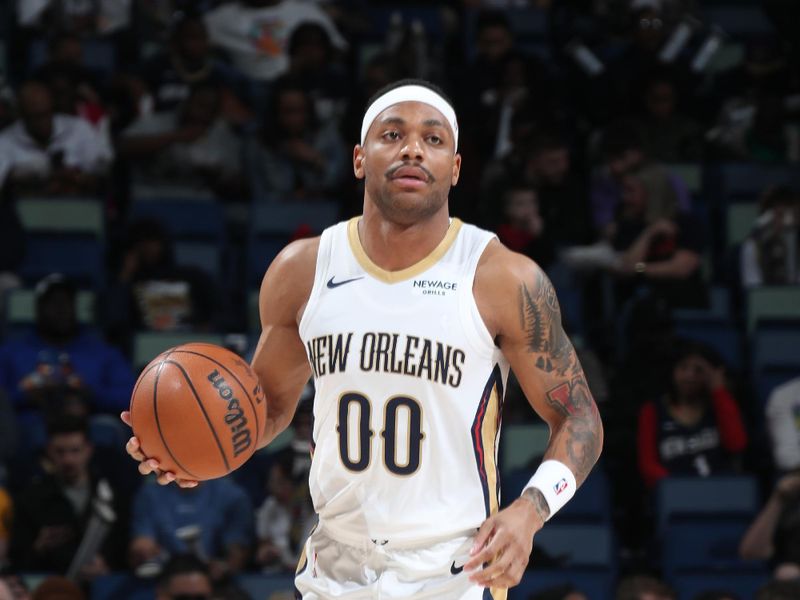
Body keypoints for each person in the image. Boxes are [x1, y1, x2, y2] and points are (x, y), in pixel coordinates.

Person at [123, 78, 604, 597]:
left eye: (434, 139)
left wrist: (529, 513)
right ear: (359, 158)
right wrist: (199, 446)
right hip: (336, 570)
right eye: (392, 134)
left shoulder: (502, 277)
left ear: (456, 169)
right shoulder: (302, 270)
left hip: (456, 574)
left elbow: (579, 417)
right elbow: (269, 409)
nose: (413, 149)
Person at [0, 274, 135, 416]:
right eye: (53, 303)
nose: (61, 310)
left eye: (66, 302)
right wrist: (25, 395)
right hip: (29, 426)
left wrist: (89, 394)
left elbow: (130, 397)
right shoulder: (11, 352)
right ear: (39, 308)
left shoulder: (102, 352)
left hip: (88, 424)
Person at [9, 415, 125, 578]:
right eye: (60, 452)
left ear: (89, 450)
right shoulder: (30, 498)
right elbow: (17, 561)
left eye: (75, 450)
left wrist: (107, 569)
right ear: (49, 451)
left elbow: (125, 547)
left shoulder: (113, 494)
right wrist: (39, 547)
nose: (68, 459)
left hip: (105, 585)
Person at [637, 341, 748, 488]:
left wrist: (718, 391)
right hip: (673, 495)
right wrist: (679, 487)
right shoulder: (652, 411)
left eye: (698, 370)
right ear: (673, 370)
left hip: (720, 490)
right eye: (683, 367)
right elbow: (648, 466)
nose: (690, 376)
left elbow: (736, 445)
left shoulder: (720, 406)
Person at [0, 81, 113, 197]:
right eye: (36, 117)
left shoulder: (78, 129)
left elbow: (102, 170)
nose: (43, 122)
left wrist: (76, 177)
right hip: (27, 208)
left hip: (79, 206)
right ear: (22, 115)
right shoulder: (5, 140)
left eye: (46, 114)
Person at [129, 478, 254, 582]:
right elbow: (142, 544)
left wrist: (224, 567)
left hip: (215, 583)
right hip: (164, 577)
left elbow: (237, 553)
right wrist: (144, 552)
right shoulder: (150, 494)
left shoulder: (231, 495)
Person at [739, 470, 800, 580]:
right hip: (791, 586)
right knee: (787, 573)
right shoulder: (789, 515)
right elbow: (752, 553)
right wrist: (778, 498)